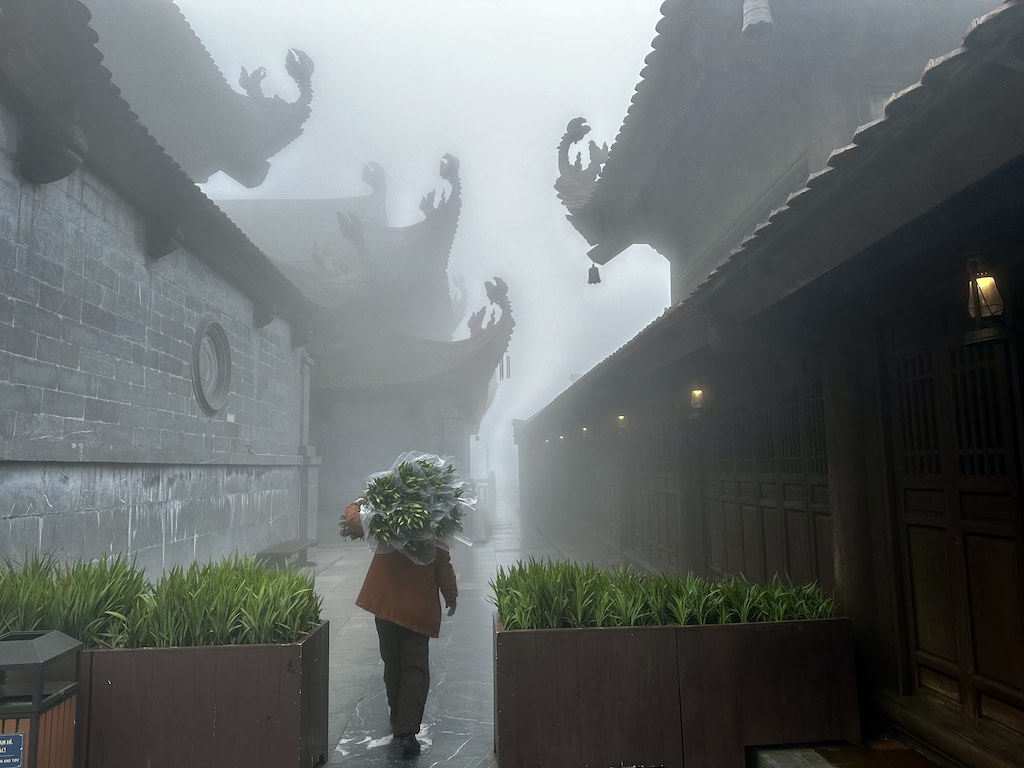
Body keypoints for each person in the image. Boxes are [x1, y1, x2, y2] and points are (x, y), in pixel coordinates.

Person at [344, 499, 458, 758]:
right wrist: (450, 595)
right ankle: (406, 730)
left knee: (392, 662)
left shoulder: (385, 516)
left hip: (386, 605)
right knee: (415, 667)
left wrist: (358, 502)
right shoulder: (434, 521)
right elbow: (443, 564)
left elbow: (353, 522)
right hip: (417, 607)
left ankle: (398, 718)